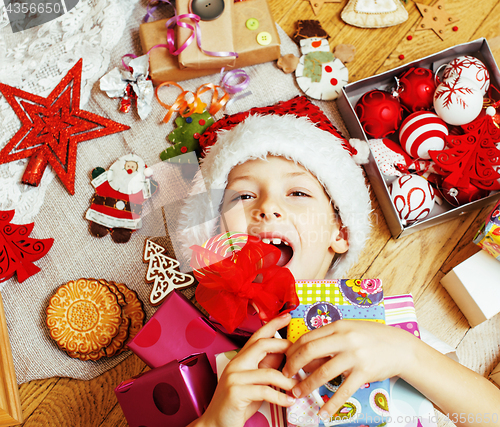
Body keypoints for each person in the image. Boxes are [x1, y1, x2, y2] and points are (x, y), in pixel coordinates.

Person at [180, 106, 500, 427]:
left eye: (297, 192)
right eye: (244, 196)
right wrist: (214, 423)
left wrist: (407, 354)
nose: (267, 207)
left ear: (340, 232)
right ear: (217, 237)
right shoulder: (198, 364)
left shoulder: (383, 328)